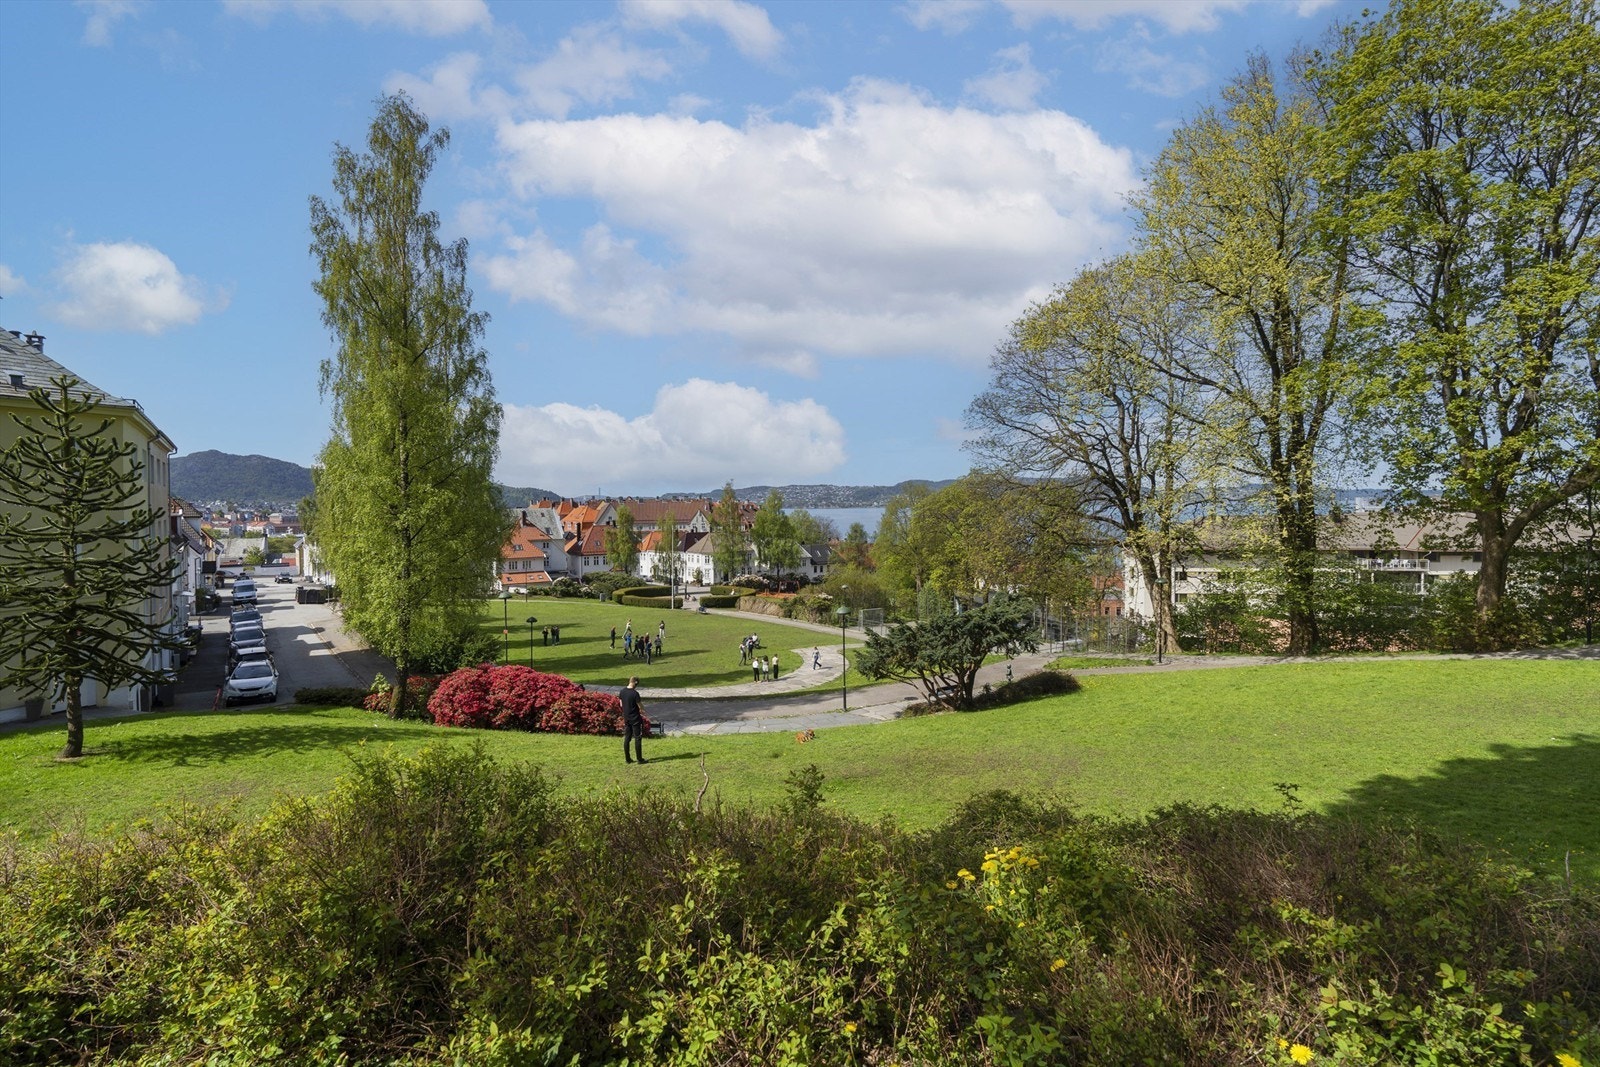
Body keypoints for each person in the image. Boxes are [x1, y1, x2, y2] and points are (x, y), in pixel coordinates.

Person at [620, 677, 646, 764]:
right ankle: (639, 759)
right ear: (635, 683)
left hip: (627, 718)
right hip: (635, 719)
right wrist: (642, 710)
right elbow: (640, 705)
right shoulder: (635, 693)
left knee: (627, 738)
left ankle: (628, 759)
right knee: (637, 738)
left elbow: (621, 704)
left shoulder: (622, 691)